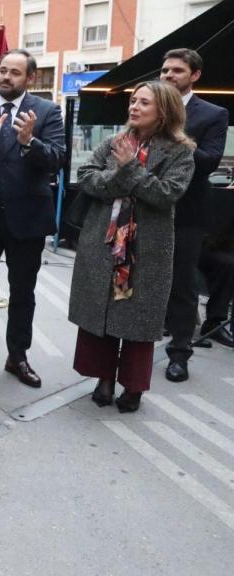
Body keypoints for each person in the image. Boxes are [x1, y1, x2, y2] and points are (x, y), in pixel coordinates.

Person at [70, 81, 195, 413]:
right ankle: (104, 378)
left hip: (147, 248)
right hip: (104, 242)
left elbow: (167, 193)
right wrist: (121, 178)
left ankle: (133, 386)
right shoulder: (114, 142)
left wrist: (130, 170)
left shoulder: (180, 151)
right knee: (104, 310)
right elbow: (85, 177)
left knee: (138, 319)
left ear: (164, 110)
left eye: (144, 103)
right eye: (133, 101)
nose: (134, 107)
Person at [0, 48, 65, 388]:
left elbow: (58, 158)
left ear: (30, 78)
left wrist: (29, 141)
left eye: (15, 72)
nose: (6, 76)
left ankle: (17, 356)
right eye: (3, 70)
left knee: (23, 292)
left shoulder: (47, 111)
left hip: (26, 217)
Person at [159, 48, 229, 382]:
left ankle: (179, 354)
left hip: (187, 213)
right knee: (143, 278)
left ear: (194, 75)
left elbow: (209, 162)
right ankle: (139, 343)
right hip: (146, 207)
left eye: (176, 71)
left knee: (183, 284)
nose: (168, 76)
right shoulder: (148, 104)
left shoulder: (213, 114)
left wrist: (176, 136)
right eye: (165, 71)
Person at [197, 192, 234, 348]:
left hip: (218, 244)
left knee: (228, 264)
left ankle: (213, 323)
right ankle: (170, 319)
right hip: (192, 238)